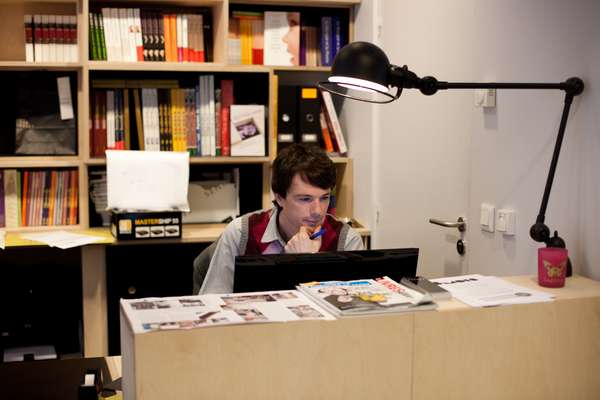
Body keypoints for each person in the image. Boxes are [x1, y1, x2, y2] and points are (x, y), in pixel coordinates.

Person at [199, 144, 364, 294]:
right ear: (279, 198)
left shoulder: (347, 240)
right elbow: (212, 303)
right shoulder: (241, 232)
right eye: (305, 199)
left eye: (324, 198)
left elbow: (353, 313)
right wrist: (293, 265)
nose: (317, 211)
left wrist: (307, 263)